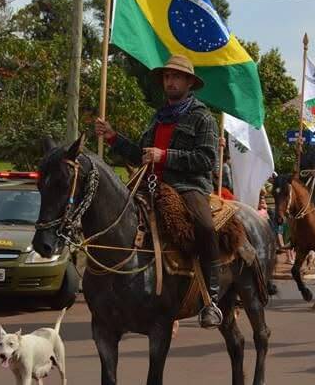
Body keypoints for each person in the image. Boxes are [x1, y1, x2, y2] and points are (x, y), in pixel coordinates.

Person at [95, 54, 224, 329]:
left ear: (189, 82)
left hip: (188, 187)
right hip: (149, 185)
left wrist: (165, 156)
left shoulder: (203, 118)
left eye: (176, 77)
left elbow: (206, 160)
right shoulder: (158, 117)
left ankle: (212, 299)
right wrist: (113, 137)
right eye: (167, 77)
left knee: (205, 227)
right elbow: (141, 154)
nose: (170, 81)